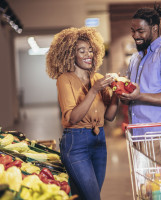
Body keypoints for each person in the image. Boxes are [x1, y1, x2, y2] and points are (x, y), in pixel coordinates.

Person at [46, 27, 118, 200]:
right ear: (71, 54)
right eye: (82, 50)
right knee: (93, 197)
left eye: (91, 50)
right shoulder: (65, 79)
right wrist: (94, 90)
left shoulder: (97, 78)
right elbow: (73, 117)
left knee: (86, 196)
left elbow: (109, 116)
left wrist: (117, 93)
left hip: (99, 140)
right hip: (76, 143)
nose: (88, 54)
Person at [120, 4, 161, 165]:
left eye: (140, 31)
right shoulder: (135, 59)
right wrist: (124, 94)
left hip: (160, 136)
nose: (135, 35)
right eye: (133, 30)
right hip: (137, 135)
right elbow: (132, 94)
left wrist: (139, 95)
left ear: (154, 28)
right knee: (144, 188)